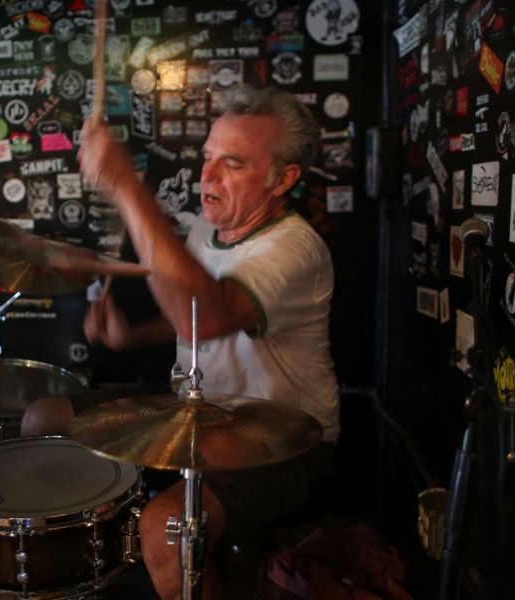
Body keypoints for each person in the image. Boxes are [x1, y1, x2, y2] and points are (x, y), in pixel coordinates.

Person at [21, 85, 340, 599]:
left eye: (233, 164)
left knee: (165, 532)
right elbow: (194, 311)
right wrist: (136, 335)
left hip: (284, 440)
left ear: (283, 179)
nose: (206, 177)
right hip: (199, 409)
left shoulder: (293, 250)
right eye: (208, 157)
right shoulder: (205, 235)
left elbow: (208, 317)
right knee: (41, 418)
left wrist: (127, 186)